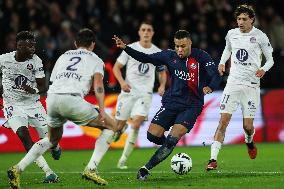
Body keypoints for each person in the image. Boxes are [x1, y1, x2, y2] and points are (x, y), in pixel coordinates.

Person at [7, 28, 118, 188]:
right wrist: (102, 110)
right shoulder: (95, 59)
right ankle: (91, 168)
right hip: (72, 99)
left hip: (52, 99)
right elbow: (99, 86)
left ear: (75, 43)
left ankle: (18, 168)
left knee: (52, 139)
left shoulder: (63, 56)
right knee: (112, 126)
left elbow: (54, 80)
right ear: (93, 44)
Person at [112, 30, 222, 180]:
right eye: (177, 46)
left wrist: (211, 86)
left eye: (183, 46)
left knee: (172, 137)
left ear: (190, 43)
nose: (180, 50)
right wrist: (125, 48)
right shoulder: (169, 56)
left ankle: (145, 169)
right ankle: (168, 147)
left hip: (191, 105)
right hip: (171, 102)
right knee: (152, 135)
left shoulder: (201, 56)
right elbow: (145, 58)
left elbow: (215, 74)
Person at [206, 5, 274, 171]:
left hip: (251, 86)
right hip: (233, 83)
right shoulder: (231, 34)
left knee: (248, 126)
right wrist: (222, 63)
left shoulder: (260, 36)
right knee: (223, 121)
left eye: (244, 19)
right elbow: (227, 49)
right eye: (238, 19)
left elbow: (270, 60)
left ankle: (249, 141)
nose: (241, 22)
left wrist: (263, 69)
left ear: (252, 19)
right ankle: (213, 159)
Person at [0, 31, 59, 184]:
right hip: (12, 105)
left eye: (34, 44)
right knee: (24, 137)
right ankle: (48, 172)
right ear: (19, 46)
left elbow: (42, 86)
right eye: (30, 45)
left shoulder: (36, 61)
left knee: (51, 140)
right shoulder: (4, 59)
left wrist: (32, 90)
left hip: (33, 104)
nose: (33, 47)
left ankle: (55, 147)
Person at [113, 21, 167, 169]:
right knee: (117, 127)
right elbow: (116, 68)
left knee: (136, 124)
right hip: (128, 92)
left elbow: (162, 72)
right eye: (143, 29)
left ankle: (123, 160)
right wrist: (122, 82)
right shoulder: (130, 48)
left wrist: (162, 85)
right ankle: (121, 128)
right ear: (139, 32)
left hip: (145, 94)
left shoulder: (157, 52)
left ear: (153, 33)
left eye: (149, 30)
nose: (146, 32)